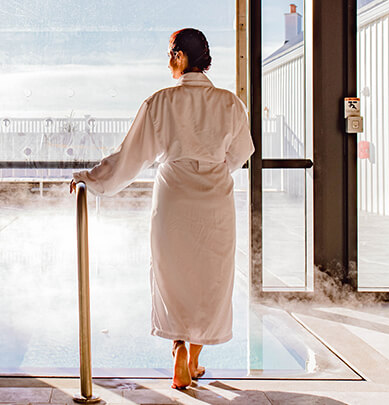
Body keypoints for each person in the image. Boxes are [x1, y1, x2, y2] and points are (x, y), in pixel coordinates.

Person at [70, 28, 254, 389]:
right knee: (211, 280)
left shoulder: (161, 102)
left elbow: (130, 158)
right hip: (216, 200)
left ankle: (179, 350)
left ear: (181, 57)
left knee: (173, 276)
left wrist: (89, 179)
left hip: (174, 200)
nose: (168, 60)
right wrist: (212, 169)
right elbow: (241, 153)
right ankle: (196, 358)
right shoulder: (231, 103)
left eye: (171, 54)